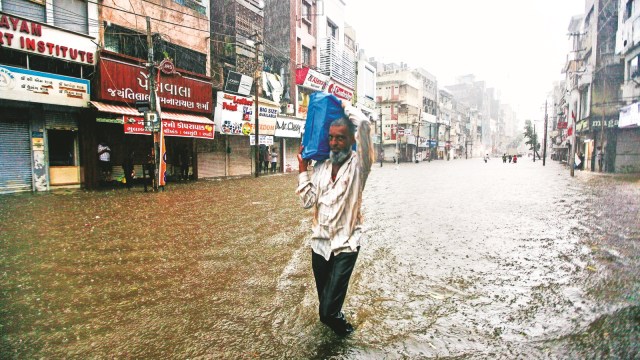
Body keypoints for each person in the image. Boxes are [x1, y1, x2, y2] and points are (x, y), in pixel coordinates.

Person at [296, 101, 374, 337]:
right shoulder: (320, 166)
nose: (333, 143)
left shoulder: (360, 166)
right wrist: (302, 169)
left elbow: (364, 125)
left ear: (352, 141)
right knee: (325, 310)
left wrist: (342, 103)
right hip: (319, 246)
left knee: (328, 313)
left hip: (345, 246)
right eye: (330, 137)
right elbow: (307, 202)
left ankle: (349, 335)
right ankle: (338, 329)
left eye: (340, 138)